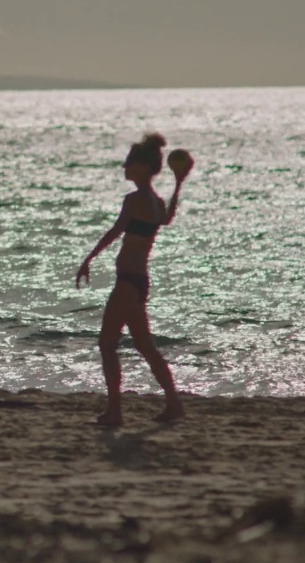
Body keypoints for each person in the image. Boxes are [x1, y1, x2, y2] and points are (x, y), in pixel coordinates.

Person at [76, 133, 187, 426]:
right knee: (145, 346)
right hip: (138, 282)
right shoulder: (155, 200)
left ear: (142, 167)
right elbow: (167, 219)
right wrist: (178, 184)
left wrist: (88, 259)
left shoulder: (135, 200)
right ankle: (174, 405)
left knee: (107, 343)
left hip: (127, 283)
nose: (125, 167)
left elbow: (115, 232)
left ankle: (115, 412)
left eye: (129, 163)